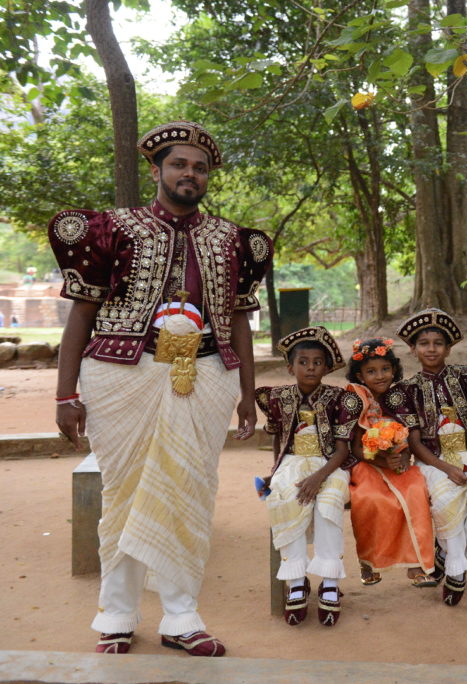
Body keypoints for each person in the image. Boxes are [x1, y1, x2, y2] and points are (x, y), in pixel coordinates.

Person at [48, 121, 272, 656]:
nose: (189, 174)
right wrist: (64, 394)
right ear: (157, 170)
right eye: (179, 164)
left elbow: (239, 322)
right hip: (121, 375)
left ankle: (181, 616)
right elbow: (82, 314)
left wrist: (246, 393)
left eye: (199, 167)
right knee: (123, 493)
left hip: (207, 376)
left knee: (189, 490)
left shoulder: (235, 240)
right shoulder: (112, 229)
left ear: (208, 176)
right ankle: (117, 615)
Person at [398, 308, 467, 606]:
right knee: (446, 502)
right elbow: (415, 442)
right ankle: (457, 571)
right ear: (413, 349)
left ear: (448, 348)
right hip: (432, 461)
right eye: (424, 343)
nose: (431, 349)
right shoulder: (407, 389)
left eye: (438, 343)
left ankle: (454, 553)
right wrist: (446, 468)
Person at [255, 326, 353, 627]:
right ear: (290, 366)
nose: (310, 367)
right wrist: (275, 472)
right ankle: (296, 579)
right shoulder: (278, 398)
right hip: (292, 463)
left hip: (330, 465)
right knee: (285, 496)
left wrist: (319, 477)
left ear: (326, 367)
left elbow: (342, 450)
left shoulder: (339, 399)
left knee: (329, 502)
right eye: (303, 362)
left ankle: (329, 580)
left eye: (317, 362)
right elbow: (278, 440)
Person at [344, 337, 436, 587]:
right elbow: (353, 446)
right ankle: (369, 562)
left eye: (385, 369)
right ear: (360, 375)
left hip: (398, 460)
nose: (380, 376)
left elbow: (412, 435)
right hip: (366, 463)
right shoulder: (354, 399)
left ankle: (417, 564)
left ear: (394, 369)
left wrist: (402, 457)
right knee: (370, 499)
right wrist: (379, 459)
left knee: (416, 490)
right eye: (371, 371)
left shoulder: (402, 395)